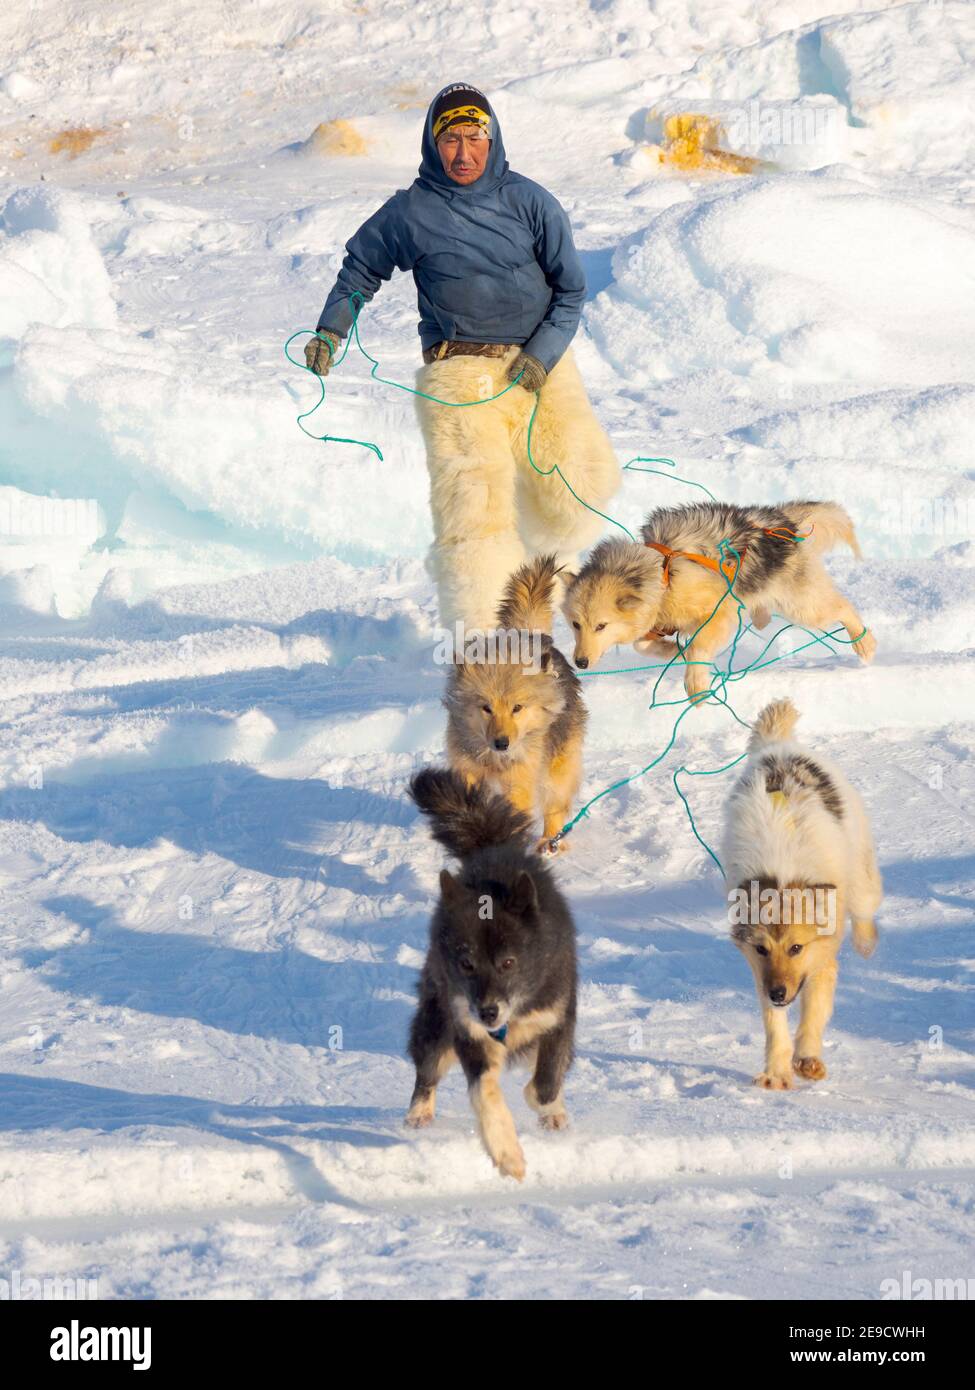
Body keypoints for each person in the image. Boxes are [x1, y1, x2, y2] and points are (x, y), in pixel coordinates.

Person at [307, 82, 620, 630]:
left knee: (578, 490)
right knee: (474, 512)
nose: (463, 152)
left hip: (539, 366)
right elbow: (360, 269)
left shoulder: (531, 202)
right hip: (457, 374)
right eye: (451, 139)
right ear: (433, 143)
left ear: (492, 138)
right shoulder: (411, 211)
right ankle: (483, 643)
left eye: (475, 138)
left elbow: (570, 291)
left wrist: (541, 356)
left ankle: (544, 591)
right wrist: (331, 332)